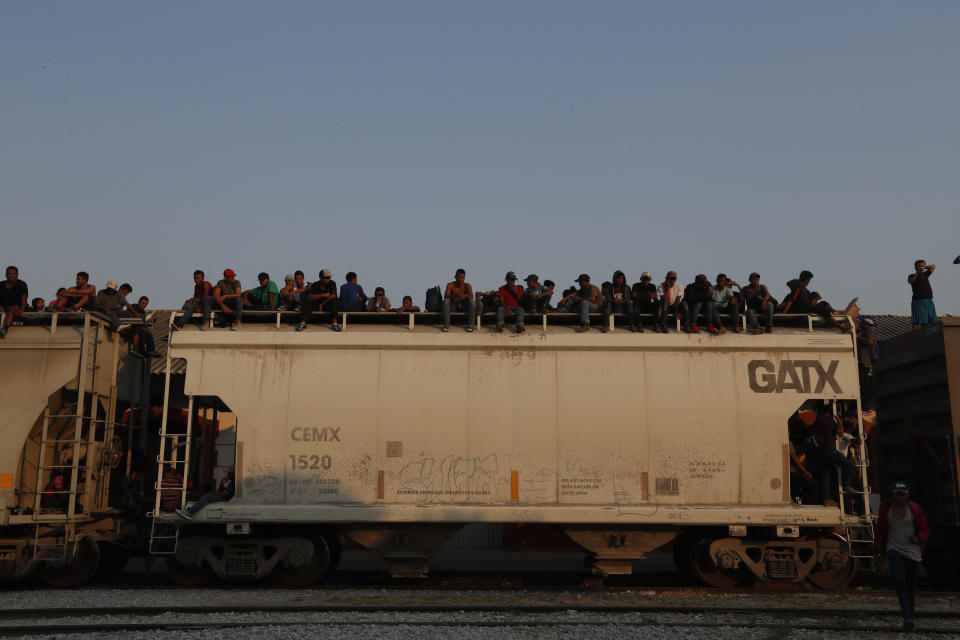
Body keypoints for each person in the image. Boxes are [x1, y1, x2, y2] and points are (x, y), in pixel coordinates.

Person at [875, 481, 930, 631]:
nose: (900, 497)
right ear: (893, 494)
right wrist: (879, 549)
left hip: (912, 551)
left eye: (903, 494)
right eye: (898, 494)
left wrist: (918, 539)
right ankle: (908, 617)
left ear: (908, 495)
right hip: (894, 549)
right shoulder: (886, 509)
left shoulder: (915, 509)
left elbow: (925, 529)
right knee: (899, 580)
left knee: (911, 586)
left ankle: (910, 616)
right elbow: (880, 528)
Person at [789, 439, 820, 505]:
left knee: (796, 492)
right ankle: (811, 509)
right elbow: (794, 458)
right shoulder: (788, 441)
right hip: (793, 472)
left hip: (791, 475)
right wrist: (806, 472)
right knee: (815, 486)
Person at [908, 260, 937, 330]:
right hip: (919, 301)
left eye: (923, 266)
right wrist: (918, 272)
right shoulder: (912, 275)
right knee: (919, 321)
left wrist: (924, 267)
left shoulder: (925, 274)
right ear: (915, 267)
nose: (921, 267)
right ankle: (917, 336)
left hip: (929, 300)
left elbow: (933, 266)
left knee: (933, 320)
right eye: (919, 266)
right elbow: (910, 281)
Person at [0, 266, 28, 338]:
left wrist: (21, 310)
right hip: (3, 307)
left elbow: (24, 298)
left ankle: (4, 329)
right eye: (9, 273)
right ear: (6, 275)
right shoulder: (1, 284)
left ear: (17, 275)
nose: (11, 275)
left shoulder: (22, 284)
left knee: (13, 308)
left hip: (16, 308)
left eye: (13, 274)